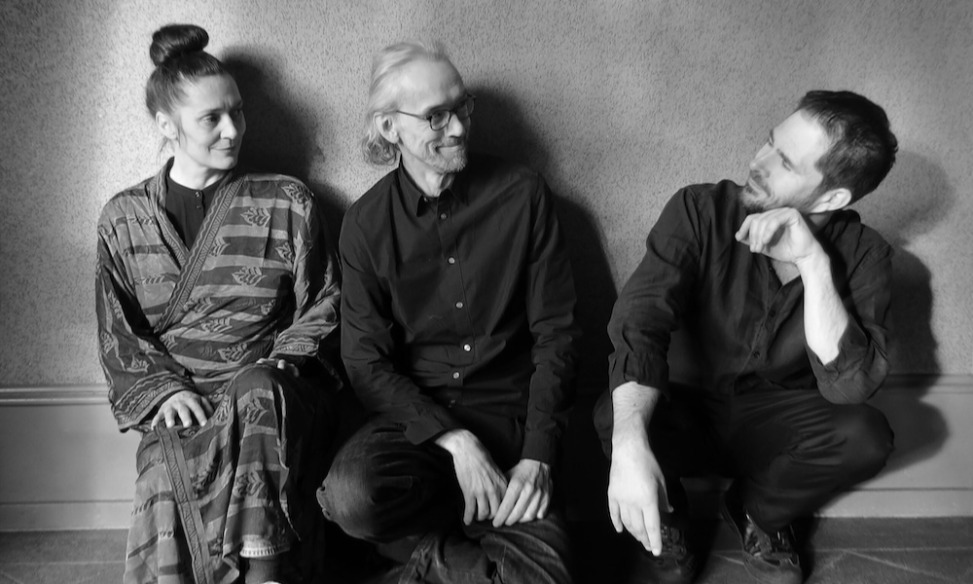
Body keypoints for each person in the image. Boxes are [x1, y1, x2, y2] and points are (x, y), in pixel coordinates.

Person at [594, 90, 898, 584]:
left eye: (785, 163)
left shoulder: (866, 255)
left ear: (831, 199)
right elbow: (638, 321)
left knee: (867, 437)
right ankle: (667, 521)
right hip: (685, 408)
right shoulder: (701, 209)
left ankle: (760, 513)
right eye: (769, 142)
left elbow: (851, 386)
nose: (759, 162)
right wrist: (630, 443)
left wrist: (813, 263)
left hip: (772, 422)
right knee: (614, 414)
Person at [317, 41, 580, 584]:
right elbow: (365, 362)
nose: (458, 127)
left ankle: (422, 561)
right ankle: (465, 556)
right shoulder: (365, 225)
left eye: (462, 106)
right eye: (436, 115)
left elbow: (558, 333)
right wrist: (455, 439)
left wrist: (539, 455)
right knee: (349, 498)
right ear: (390, 128)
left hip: (512, 423)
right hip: (418, 428)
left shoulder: (523, 194)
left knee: (550, 577)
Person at [96, 24, 341, 584]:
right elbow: (117, 331)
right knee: (162, 467)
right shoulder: (122, 220)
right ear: (167, 125)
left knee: (256, 393)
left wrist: (282, 363)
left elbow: (327, 303)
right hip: (184, 397)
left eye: (238, 112)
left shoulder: (288, 201)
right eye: (212, 118)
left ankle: (265, 574)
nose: (234, 130)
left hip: (276, 390)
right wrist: (166, 391)